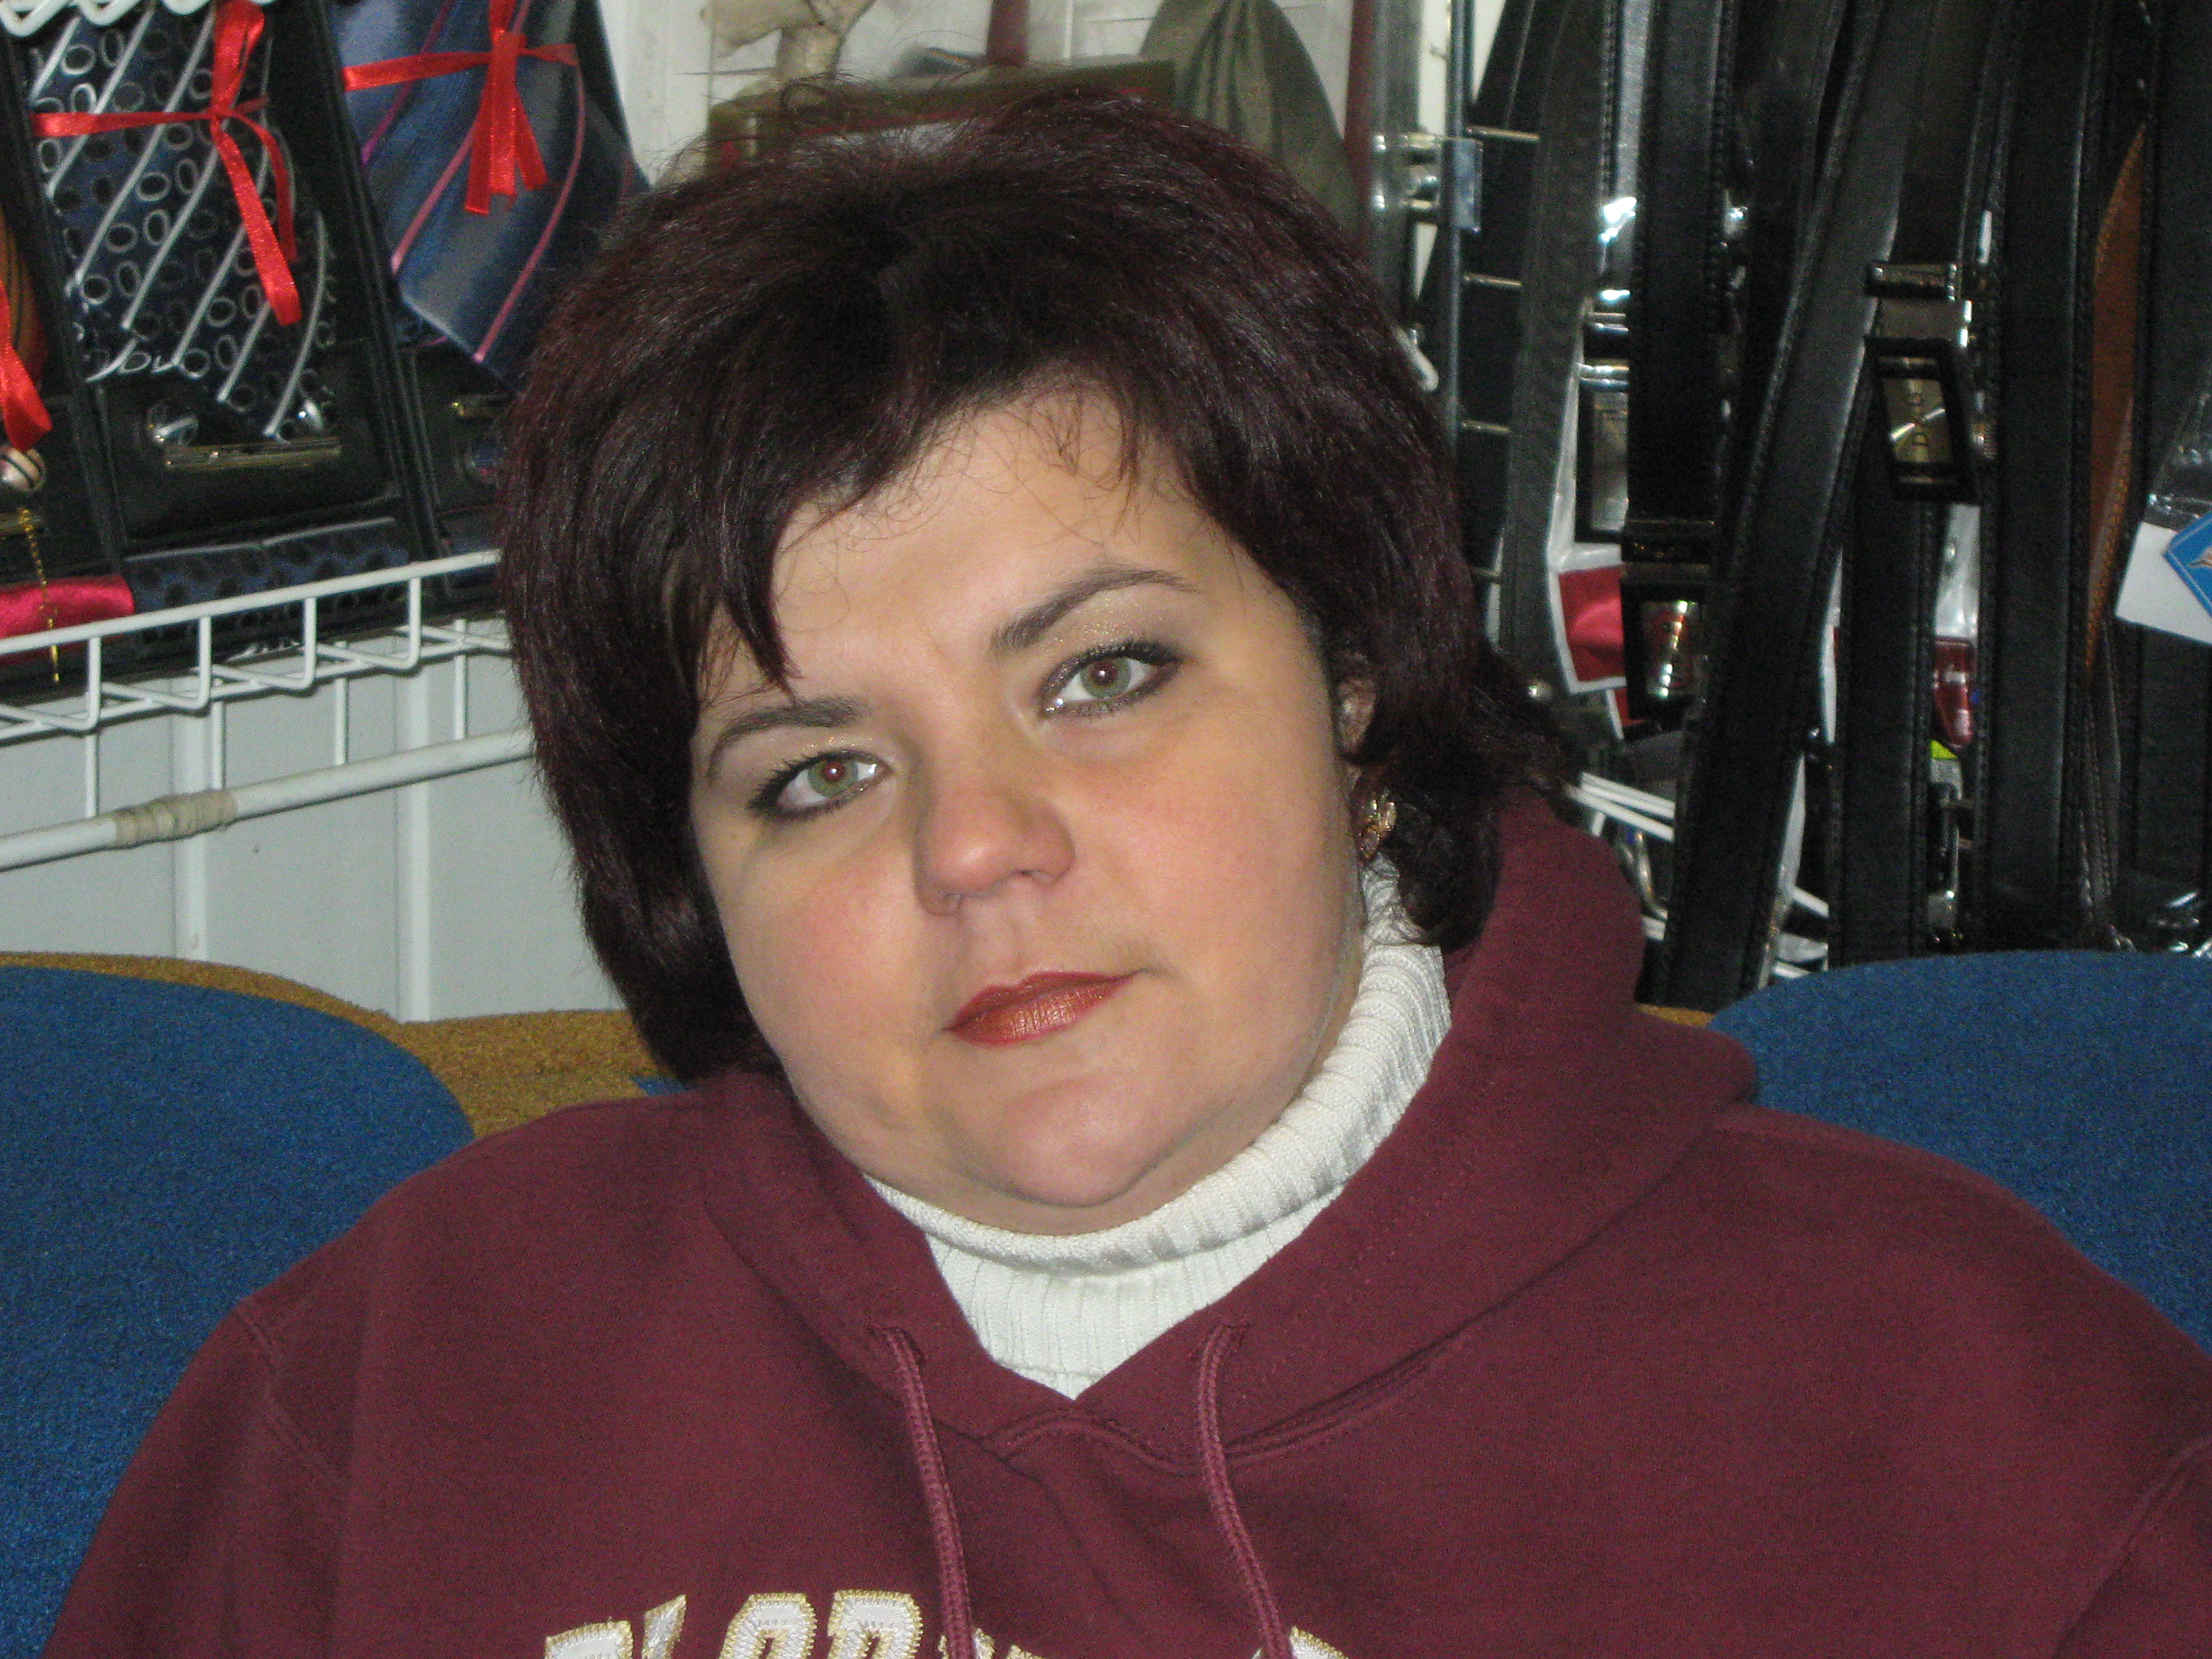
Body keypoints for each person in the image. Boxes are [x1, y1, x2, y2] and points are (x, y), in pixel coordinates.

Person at [42, 92, 2212, 1659]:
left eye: (1103, 675)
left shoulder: (1959, 1403)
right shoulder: (411, 1373)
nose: (976, 847)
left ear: (1353, 683)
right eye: (816, 773)